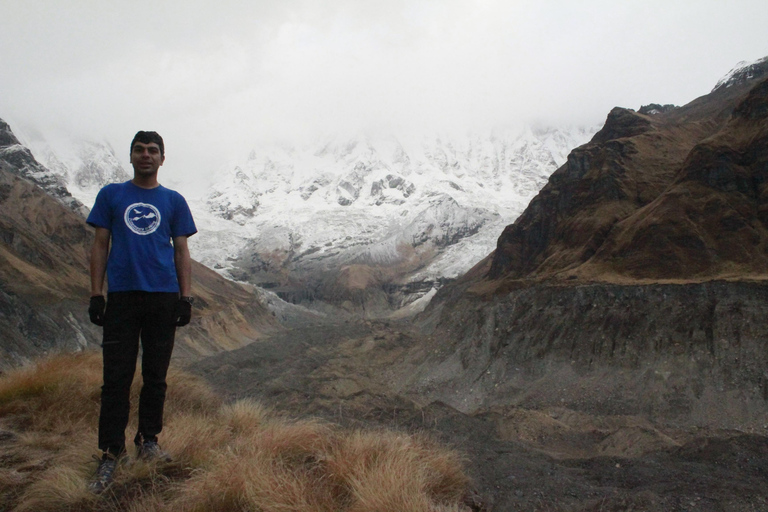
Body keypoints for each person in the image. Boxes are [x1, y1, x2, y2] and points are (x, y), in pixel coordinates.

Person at [86, 131, 197, 493]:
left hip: (162, 297)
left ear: (163, 159)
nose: (146, 155)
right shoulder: (111, 195)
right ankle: (111, 451)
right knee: (115, 377)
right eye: (140, 150)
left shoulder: (174, 201)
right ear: (130, 156)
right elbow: (100, 243)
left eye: (153, 150)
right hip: (122, 297)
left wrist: (186, 297)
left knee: (156, 375)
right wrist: (96, 293)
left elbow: (181, 250)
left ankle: (148, 440)